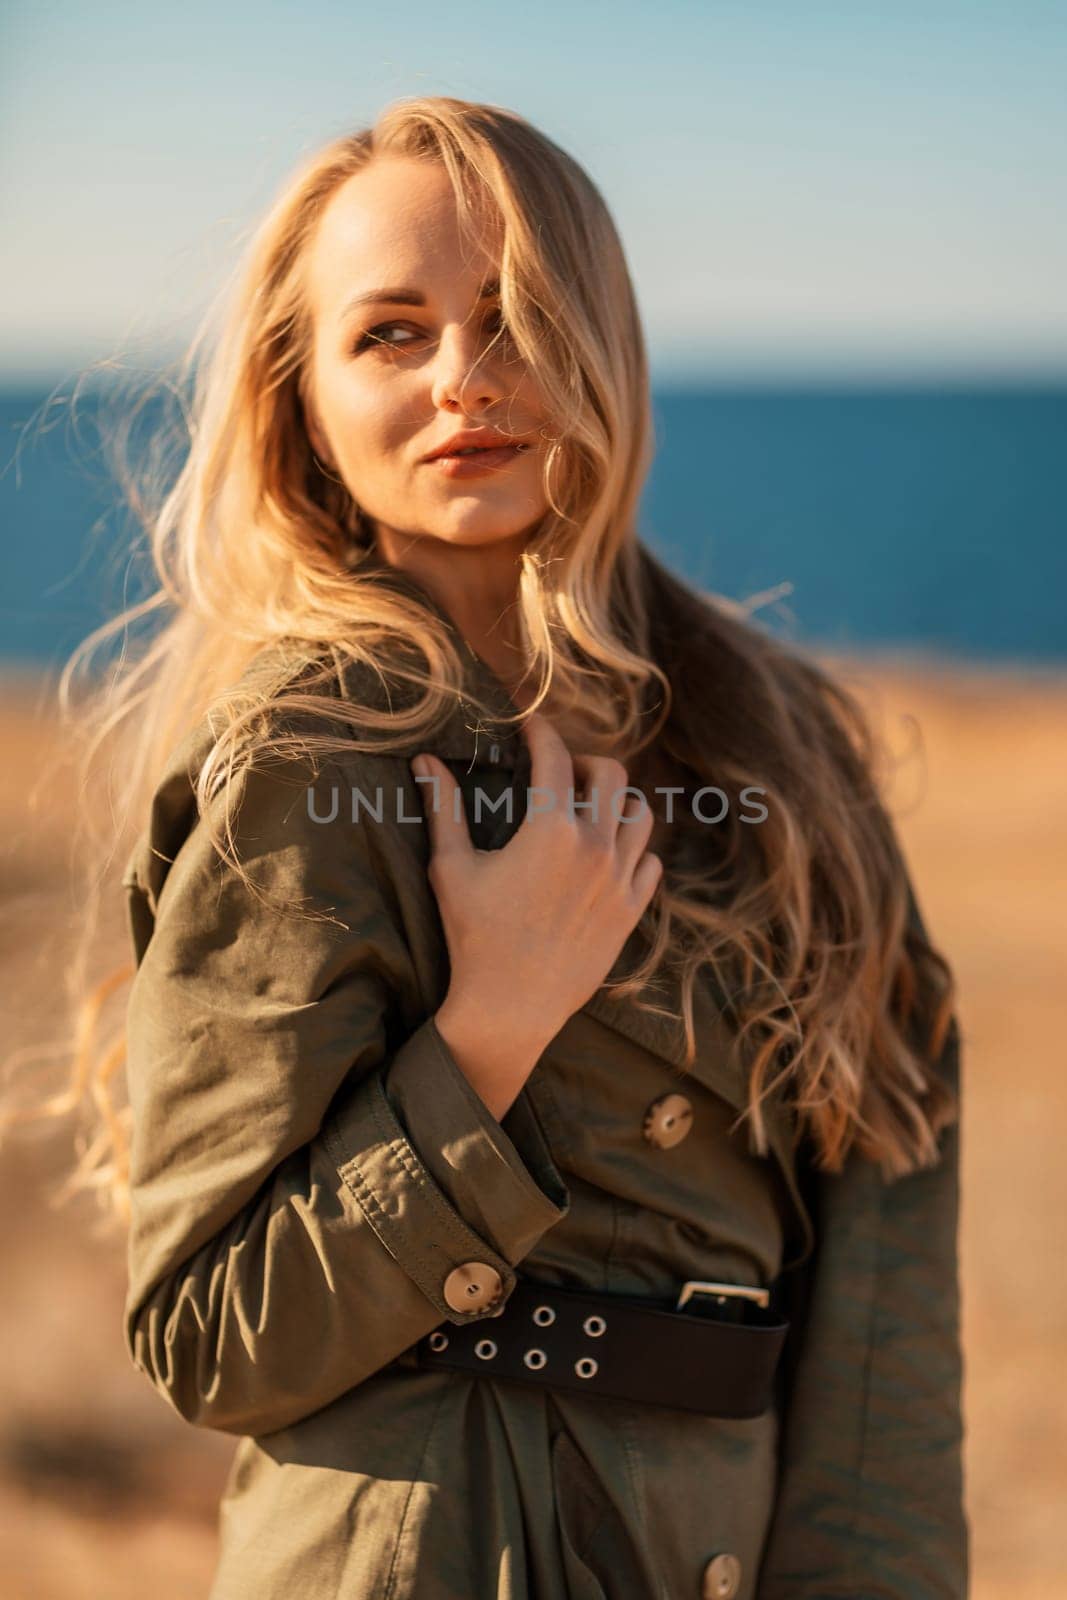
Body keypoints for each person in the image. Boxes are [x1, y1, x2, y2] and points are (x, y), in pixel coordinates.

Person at [51, 97, 969, 1598]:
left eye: (519, 317)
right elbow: (211, 1331)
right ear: (305, 398)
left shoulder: (784, 749)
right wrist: (492, 1032)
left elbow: (887, 1329)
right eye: (392, 334)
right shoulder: (305, 756)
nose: (465, 381)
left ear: (604, 340)